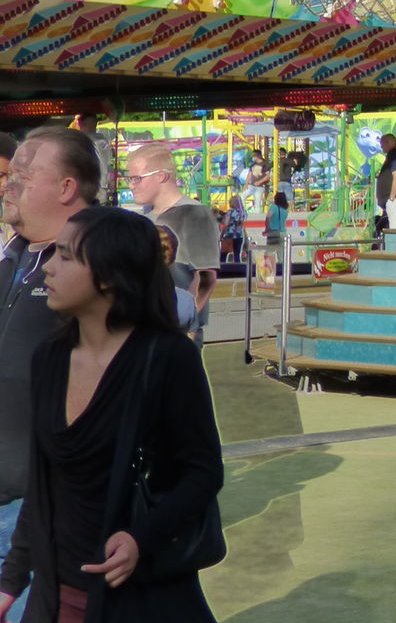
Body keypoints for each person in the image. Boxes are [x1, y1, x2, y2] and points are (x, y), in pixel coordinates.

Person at [0, 208, 223, 623]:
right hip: (54, 595)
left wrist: (142, 537)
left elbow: (204, 472)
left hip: (139, 597)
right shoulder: (50, 357)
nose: (48, 267)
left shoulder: (168, 357)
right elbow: (44, 483)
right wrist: (11, 581)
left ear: (107, 275)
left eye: (66, 256)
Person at [0, 129, 101, 619]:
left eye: (24, 174)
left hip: (40, 513)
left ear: (65, 188)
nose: (9, 183)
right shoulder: (15, 257)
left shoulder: (96, 267)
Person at [124, 144, 220, 328]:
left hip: (176, 331)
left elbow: (206, 278)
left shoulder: (194, 214)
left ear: (161, 176)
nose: (131, 185)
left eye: (136, 179)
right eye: (130, 179)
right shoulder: (144, 218)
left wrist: (180, 321)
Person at [375, 136, 396, 235]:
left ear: (389, 142)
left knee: (395, 233)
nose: (381, 147)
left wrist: (391, 198)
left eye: (382, 144)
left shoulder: (395, 157)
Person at [218, 197, 245, 266]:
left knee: (223, 255)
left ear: (233, 203)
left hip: (229, 235)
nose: (229, 204)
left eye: (230, 202)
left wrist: (221, 235)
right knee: (237, 255)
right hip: (239, 236)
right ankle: (238, 269)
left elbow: (226, 224)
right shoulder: (243, 213)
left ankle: (222, 268)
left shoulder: (230, 212)